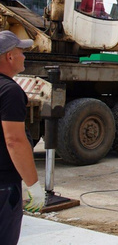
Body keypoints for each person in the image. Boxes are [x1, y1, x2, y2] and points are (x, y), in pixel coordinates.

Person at [0, 30, 45, 244]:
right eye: (21, 51)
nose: (24, 56)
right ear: (9, 56)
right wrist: (33, 185)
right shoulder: (9, 91)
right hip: (4, 186)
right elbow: (14, 141)